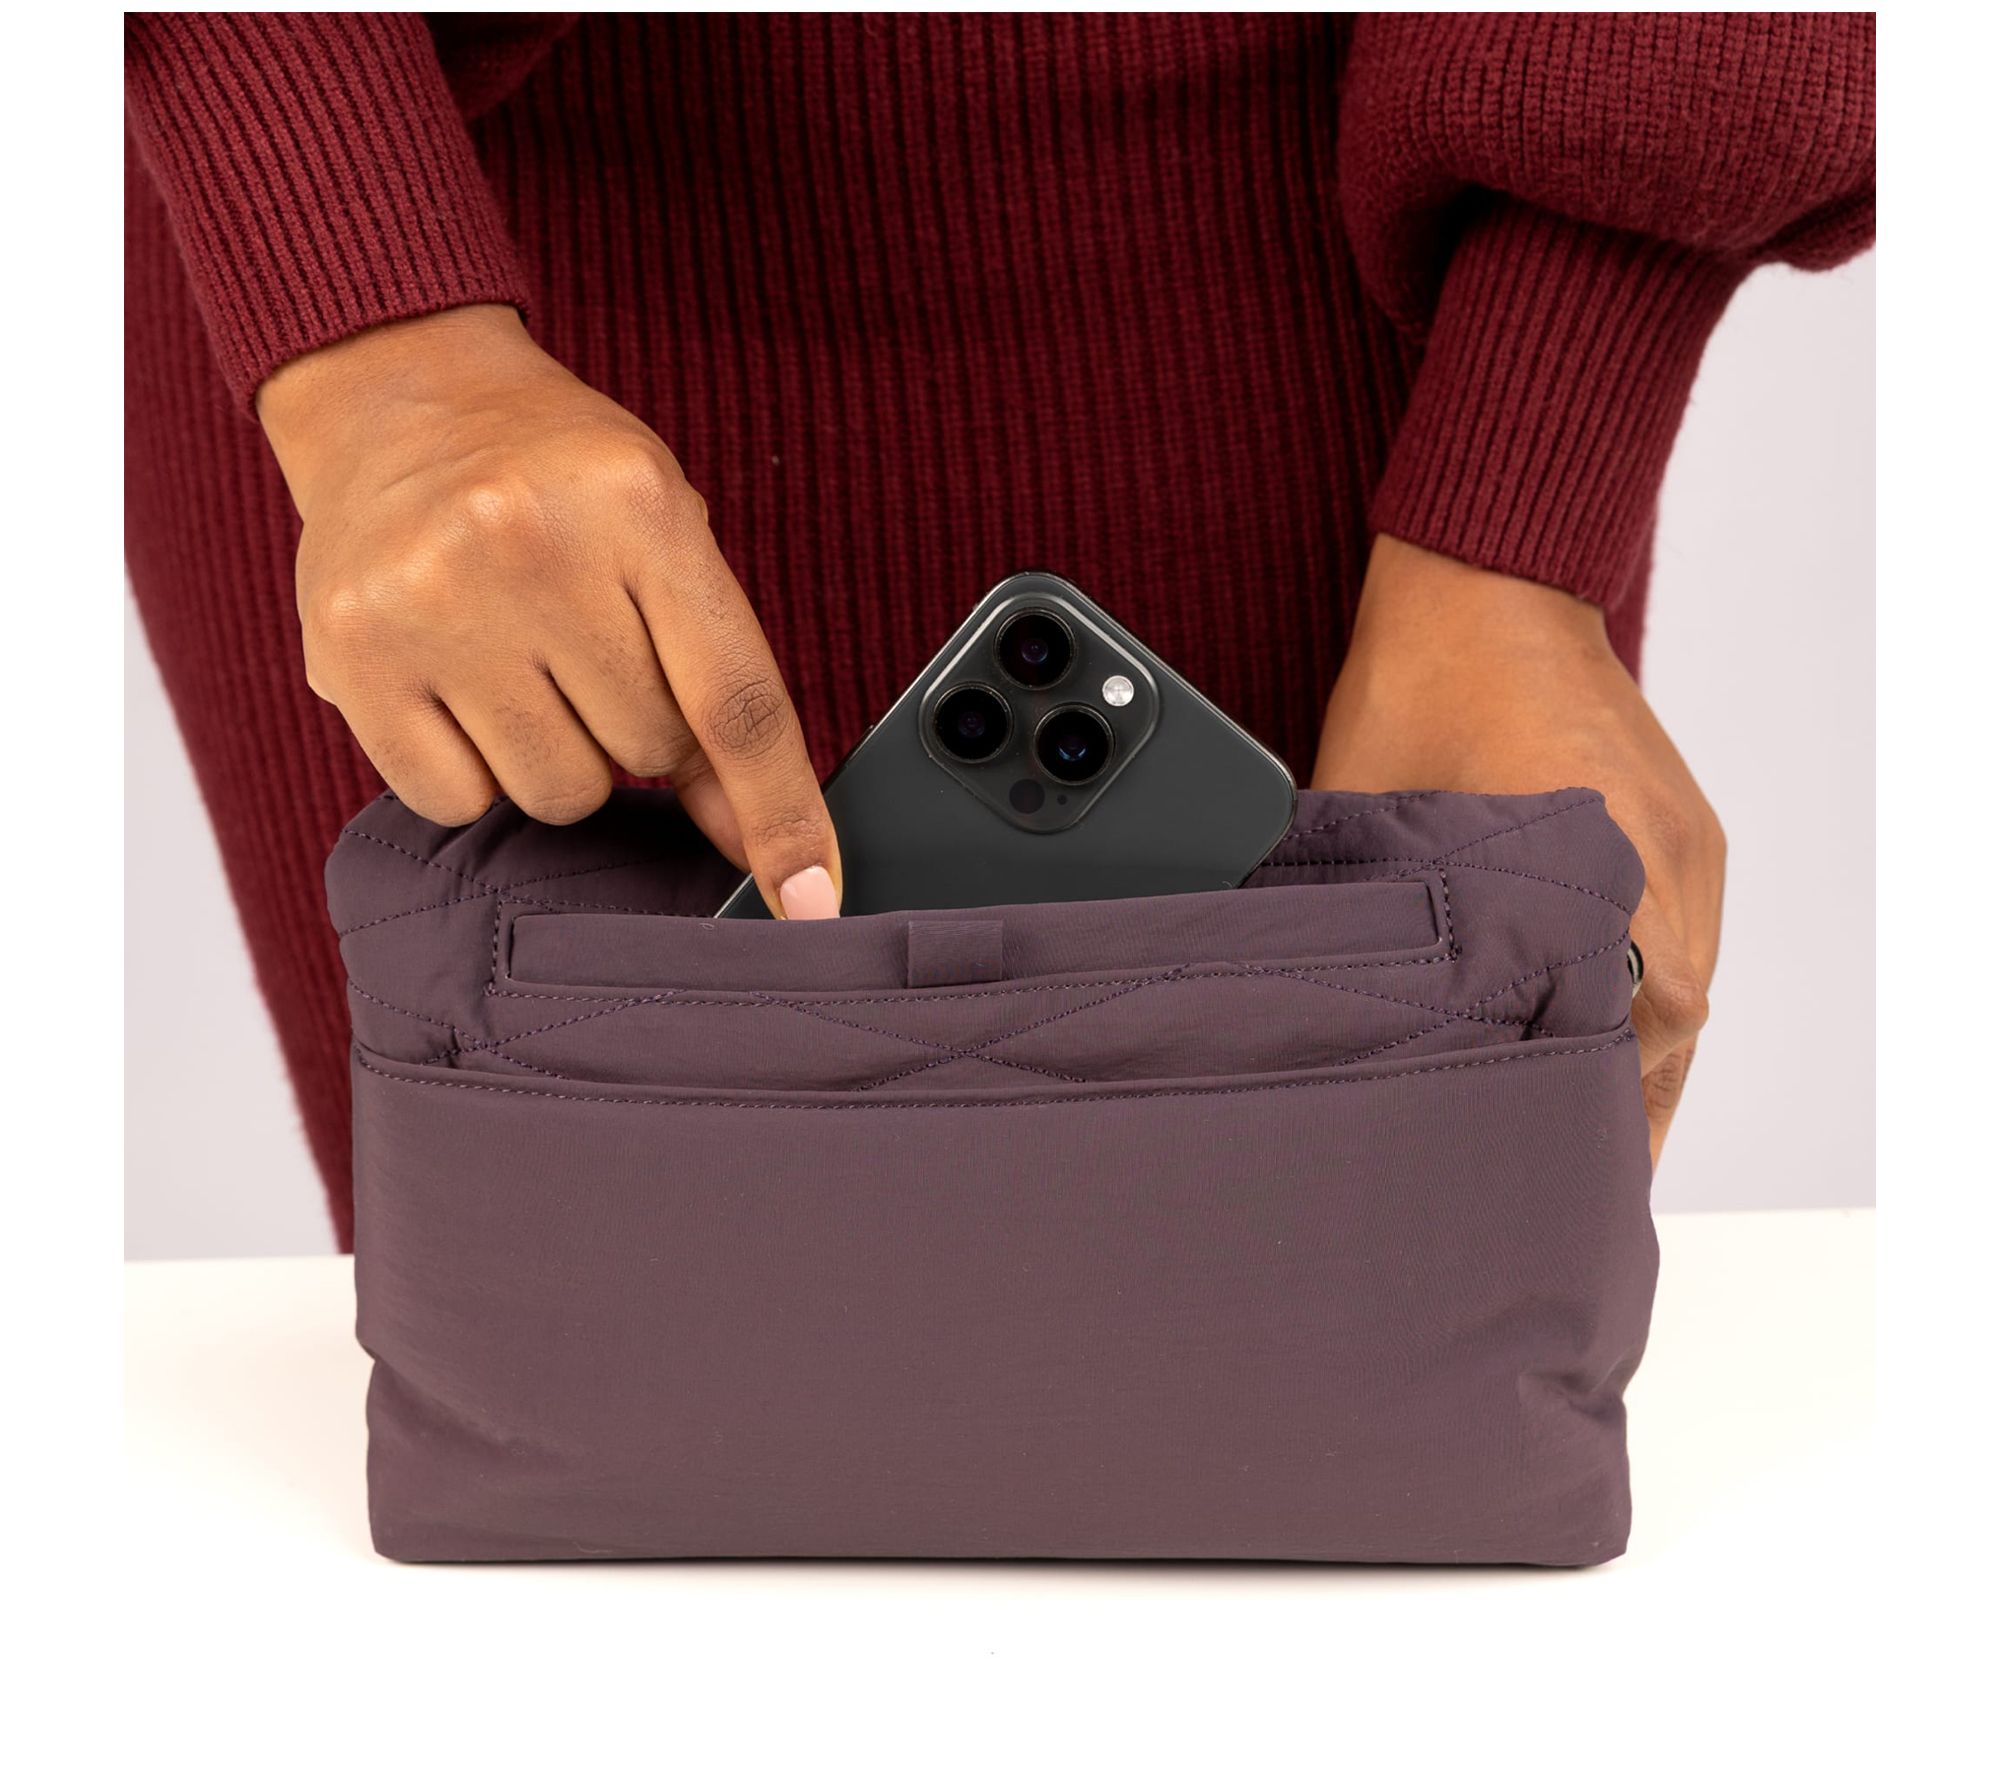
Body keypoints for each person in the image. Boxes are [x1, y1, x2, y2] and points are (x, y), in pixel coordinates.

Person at [125, 14, 1876, 1246]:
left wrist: (1518, 505)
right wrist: (370, 337)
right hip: (410, 273)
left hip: (1328, 304)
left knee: (1313, 1417)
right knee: (591, 1428)